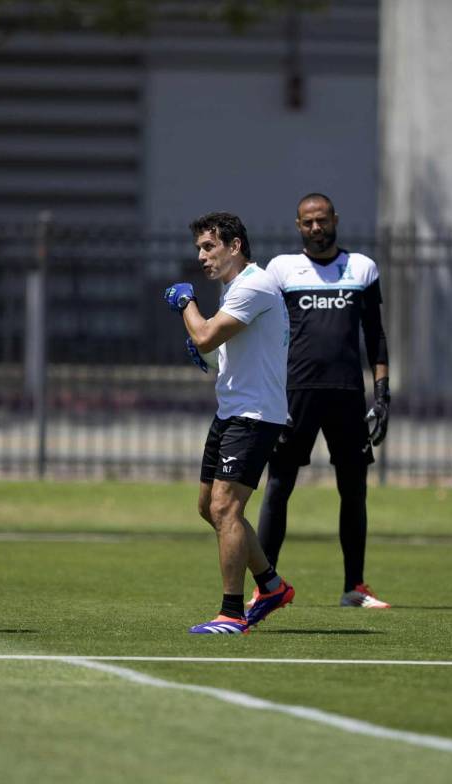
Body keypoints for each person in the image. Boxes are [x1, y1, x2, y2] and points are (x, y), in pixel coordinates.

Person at [257, 192, 392, 609]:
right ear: (298, 226)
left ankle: (355, 587)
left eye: (322, 220)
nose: (317, 228)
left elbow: (376, 335)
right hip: (294, 395)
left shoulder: (362, 268)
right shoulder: (281, 270)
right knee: (279, 486)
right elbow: (265, 333)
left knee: (354, 491)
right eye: (308, 222)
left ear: (335, 218)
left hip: (349, 396)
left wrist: (383, 393)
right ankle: (266, 588)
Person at [164, 211, 294, 635]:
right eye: (198, 249)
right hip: (231, 412)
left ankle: (232, 613)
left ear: (235, 246)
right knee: (209, 508)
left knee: (226, 508)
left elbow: (205, 334)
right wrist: (208, 353)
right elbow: (222, 346)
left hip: (254, 416)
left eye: (208, 247)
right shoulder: (238, 288)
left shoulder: (254, 283)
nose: (201, 257)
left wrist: (186, 303)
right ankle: (272, 586)